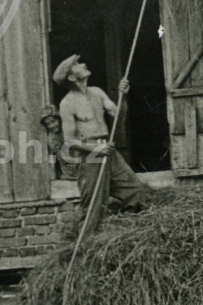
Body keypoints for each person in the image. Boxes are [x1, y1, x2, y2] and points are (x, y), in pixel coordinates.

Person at [53, 54, 144, 214]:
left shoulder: (97, 92)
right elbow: (69, 142)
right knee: (94, 206)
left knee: (134, 190)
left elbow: (119, 115)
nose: (83, 64)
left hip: (108, 148)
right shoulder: (67, 103)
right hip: (90, 154)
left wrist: (123, 96)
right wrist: (96, 149)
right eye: (77, 64)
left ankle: (122, 227)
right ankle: (89, 237)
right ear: (72, 77)